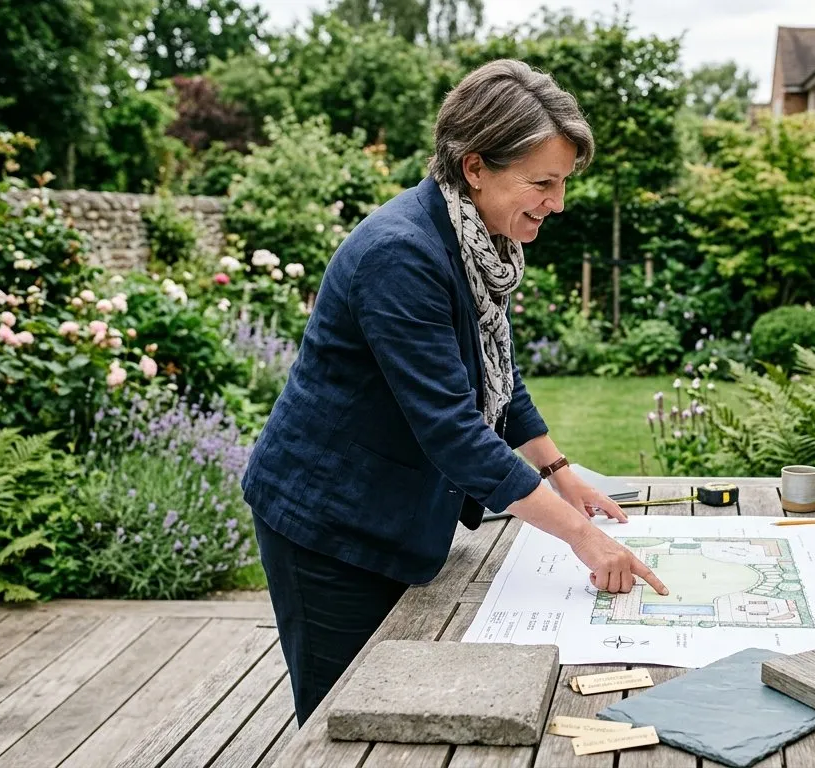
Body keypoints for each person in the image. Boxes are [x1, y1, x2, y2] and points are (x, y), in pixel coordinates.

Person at [241, 59, 669, 725]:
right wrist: (583, 539)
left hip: (392, 509)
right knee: (343, 722)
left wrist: (558, 471)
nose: (557, 202)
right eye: (543, 183)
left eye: (562, 183)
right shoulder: (401, 256)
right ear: (475, 168)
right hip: (327, 523)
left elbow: (493, 372)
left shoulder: (476, 243)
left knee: (394, 708)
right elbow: (453, 431)